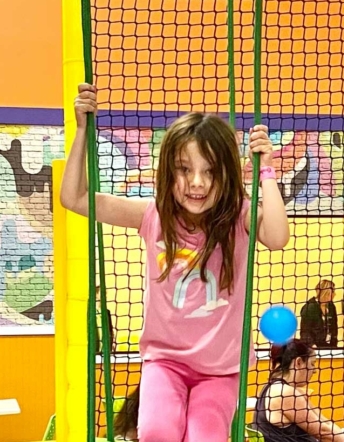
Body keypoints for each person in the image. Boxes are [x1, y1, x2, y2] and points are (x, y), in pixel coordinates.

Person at [62, 84, 290, 441]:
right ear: (168, 171)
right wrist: (82, 131)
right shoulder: (153, 216)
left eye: (210, 172)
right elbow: (74, 198)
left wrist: (267, 174)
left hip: (221, 370)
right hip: (165, 362)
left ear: (227, 175)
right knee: (156, 431)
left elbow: (276, 237)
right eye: (184, 169)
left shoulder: (238, 219)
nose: (196, 183)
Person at [253, 339, 344, 442]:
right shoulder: (285, 393)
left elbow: (324, 422)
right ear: (299, 362)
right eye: (312, 364)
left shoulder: (271, 387)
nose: (314, 371)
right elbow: (323, 432)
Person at [300, 279, 340, 348]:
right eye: (333, 291)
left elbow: (334, 329)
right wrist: (312, 346)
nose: (334, 294)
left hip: (328, 347)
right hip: (313, 348)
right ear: (327, 292)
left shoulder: (331, 307)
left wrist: (334, 346)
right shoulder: (310, 308)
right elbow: (305, 332)